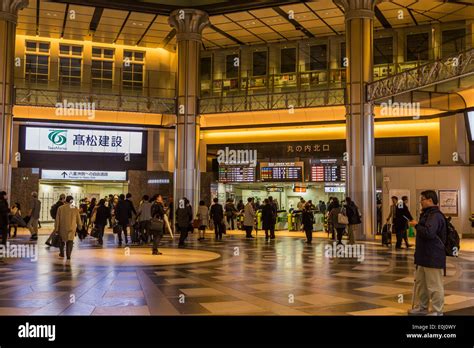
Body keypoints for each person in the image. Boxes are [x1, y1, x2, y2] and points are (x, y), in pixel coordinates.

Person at [408, 190, 446, 316]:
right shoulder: (427, 214)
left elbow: (429, 233)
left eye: (422, 199)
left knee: (434, 286)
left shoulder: (435, 215)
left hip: (433, 256)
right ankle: (423, 307)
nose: (421, 202)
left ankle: (437, 310)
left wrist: (416, 225)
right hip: (423, 256)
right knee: (421, 285)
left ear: (430, 200)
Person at [54, 195, 82, 261]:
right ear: (72, 201)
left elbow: (57, 219)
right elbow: (78, 219)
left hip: (62, 227)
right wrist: (79, 226)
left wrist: (56, 229)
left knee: (62, 241)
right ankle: (68, 255)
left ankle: (62, 253)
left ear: (66, 200)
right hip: (72, 228)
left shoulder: (60, 208)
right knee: (70, 241)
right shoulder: (75, 208)